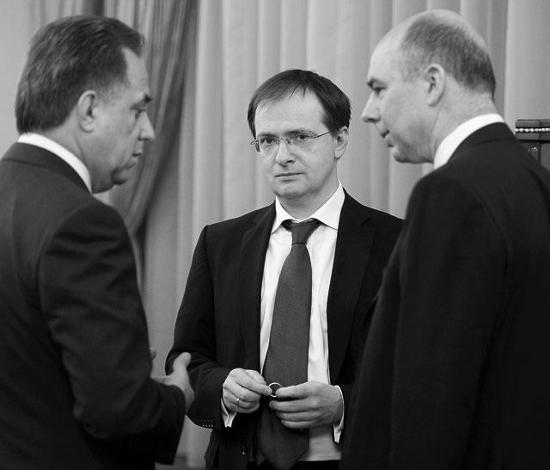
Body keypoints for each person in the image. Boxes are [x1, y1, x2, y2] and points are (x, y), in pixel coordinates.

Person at [340, 9, 550, 470]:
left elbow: (432, 396)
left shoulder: (451, 193)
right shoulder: (535, 181)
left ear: (433, 83)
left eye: (379, 88)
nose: (370, 111)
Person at [166, 69, 401, 470]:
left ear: (340, 140)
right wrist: (222, 387)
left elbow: (420, 372)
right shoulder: (220, 243)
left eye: (300, 137)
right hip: (241, 459)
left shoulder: (396, 243)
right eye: (268, 141)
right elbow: (186, 361)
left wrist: (343, 403)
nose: (282, 155)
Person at [0, 16, 194, 469]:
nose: (148, 130)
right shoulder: (84, 223)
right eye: (138, 109)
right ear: (88, 110)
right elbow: (119, 411)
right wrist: (175, 397)